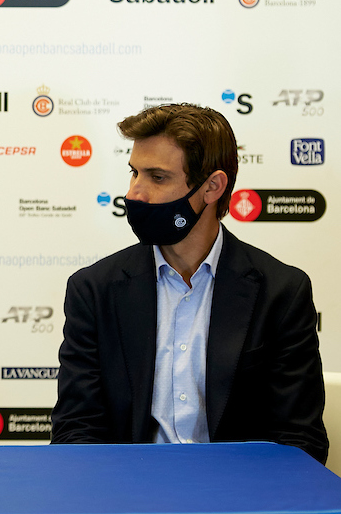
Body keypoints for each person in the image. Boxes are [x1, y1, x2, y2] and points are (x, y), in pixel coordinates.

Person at [52, 103, 327, 463]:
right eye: (134, 173)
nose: (135, 193)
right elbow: (76, 430)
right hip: (129, 492)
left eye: (157, 177)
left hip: (236, 496)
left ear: (212, 186)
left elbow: (299, 440)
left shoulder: (281, 291)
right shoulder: (94, 289)